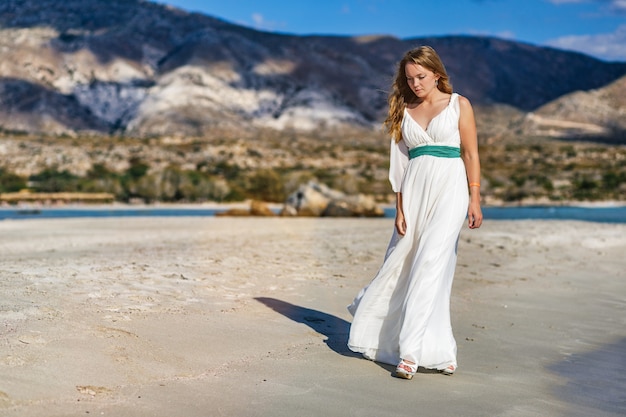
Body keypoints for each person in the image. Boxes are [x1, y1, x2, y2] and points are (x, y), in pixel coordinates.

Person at [347, 45, 483, 380]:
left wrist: (474, 197)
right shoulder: (403, 109)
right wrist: (399, 208)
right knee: (403, 262)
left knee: (432, 262)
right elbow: (400, 165)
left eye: (421, 77)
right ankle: (440, 349)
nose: (416, 84)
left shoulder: (459, 105)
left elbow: (470, 153)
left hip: (451, 190)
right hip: (415, 193)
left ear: (437, 73)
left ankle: (410, 353)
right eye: (409, 78)